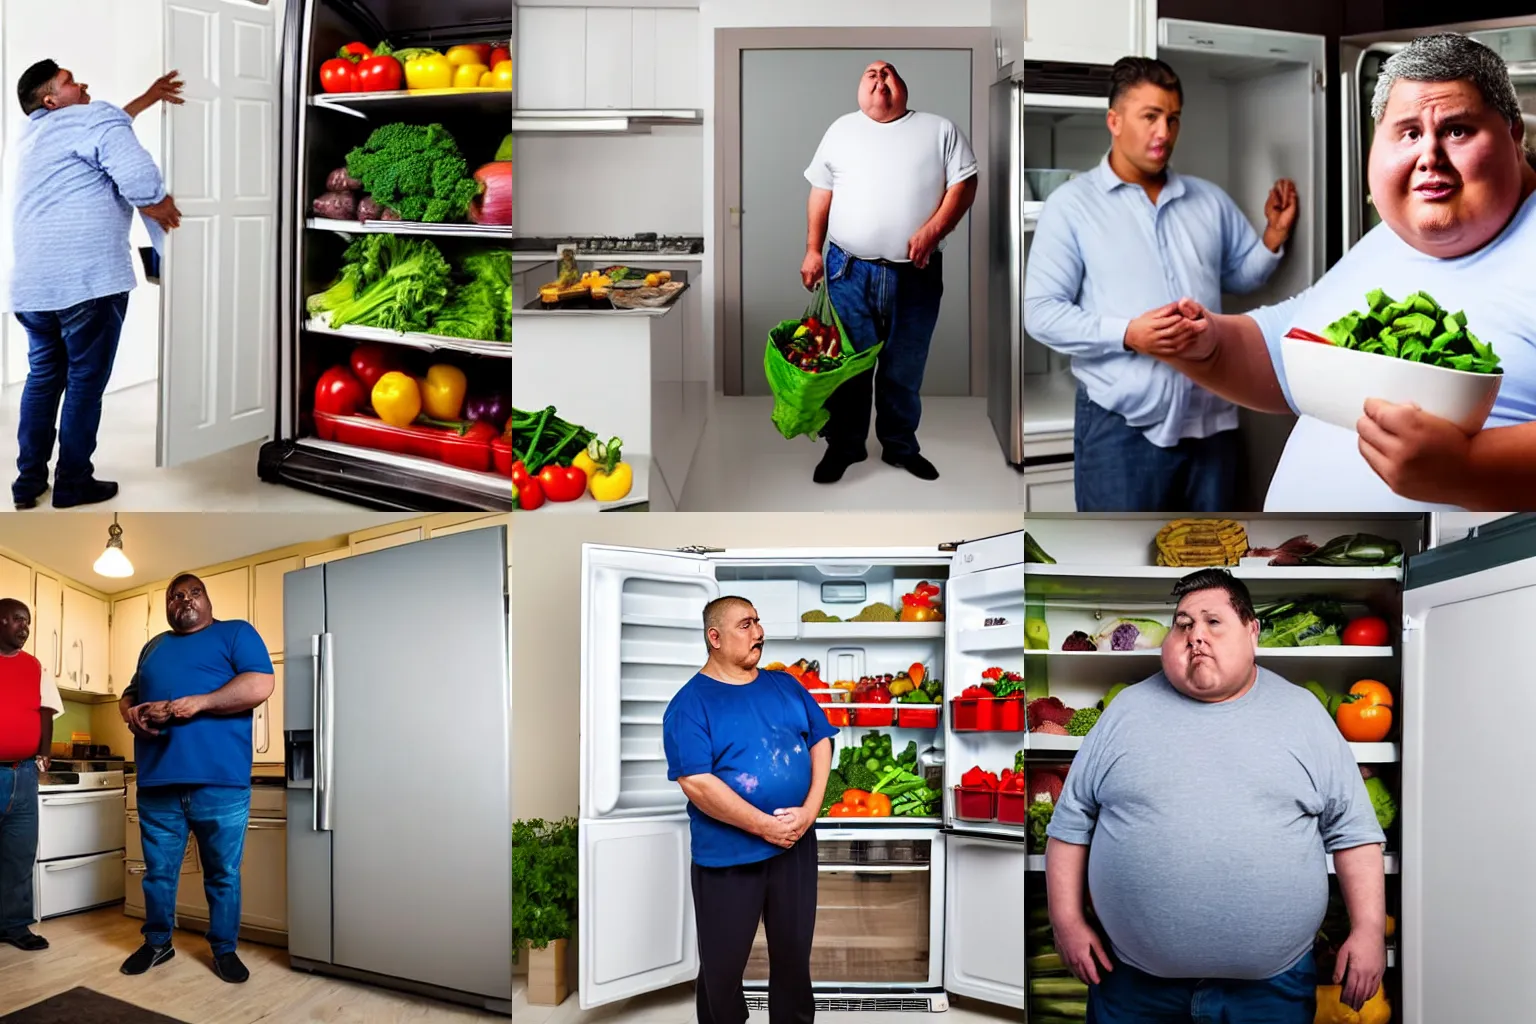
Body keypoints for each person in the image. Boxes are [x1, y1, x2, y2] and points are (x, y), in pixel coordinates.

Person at [1149, 33, 1536, 510]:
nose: (1429, 156)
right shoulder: (1387, 241)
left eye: (1457, 130)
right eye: (1410, 133)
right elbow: (1286, 355)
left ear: (1515, 134)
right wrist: (1207, 344)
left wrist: (1468, 469)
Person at [1045, 569, 1387, 1022]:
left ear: (1251, 630)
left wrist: (1367, 929)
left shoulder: (1304, 715)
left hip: (1270, 990)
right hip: (1133, 985)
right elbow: (1069, 826)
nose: (1195, 636)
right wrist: (1066, 923)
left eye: (1213, 622)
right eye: (1183, 624)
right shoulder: (1124, 712)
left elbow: (1354, 833)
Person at [1023, 57, 1298, 512]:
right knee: (1119, 565)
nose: (1164, 132)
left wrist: (1273, 235)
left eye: (1172, 119)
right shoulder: (1071, 206)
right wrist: (1130, 334)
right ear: (1114, 121)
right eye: (1150, 116)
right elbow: (1041, 312)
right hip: (1120, 431)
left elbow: (1239, 277)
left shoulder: (1209, 199)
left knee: (1216, 561)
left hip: (1214, 424)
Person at [6, 60, 184, 510]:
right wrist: (161, 206)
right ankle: (73, 483)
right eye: (69, 82)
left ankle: (28, 484)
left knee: (43, 380)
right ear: (51, 100)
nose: (81, 82)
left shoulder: (35, 134)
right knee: (84, 383)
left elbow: (104, 127)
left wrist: (147, 98)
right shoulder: (93, 118)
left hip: (33, 289)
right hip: (86, 283)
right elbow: (139, 177)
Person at [800, 60, 978, 485]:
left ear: (904, 86)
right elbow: (820, 193)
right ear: (859, 90)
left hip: (915, 273)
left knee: (904, 367)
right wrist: (811, 249)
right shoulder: (840, 130)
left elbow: (965, 184)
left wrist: (934, 229)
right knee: (850, 366)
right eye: (870, 74)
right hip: (847, 270)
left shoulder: (939, 129)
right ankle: (845, 447)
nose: (880, 79)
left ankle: (900, 448)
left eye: (888, 73)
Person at [662, 596, 836, 1024]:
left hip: (794, 846)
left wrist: (809, 812)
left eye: (758, 621)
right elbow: (697, 783)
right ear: (714, 637)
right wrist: (763, 826)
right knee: (722, 970)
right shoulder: (689, 704)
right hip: (727, 858)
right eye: (745, 624)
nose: (758, 632)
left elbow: (820, 740)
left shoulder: (785, 685)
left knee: (794, 960)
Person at [116, 573, 273, 983]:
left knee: (222, 873)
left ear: (207, 600)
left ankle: (224, 949)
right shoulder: (153, 647)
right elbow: (129, 694)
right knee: (158, 873)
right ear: (167, 605)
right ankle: (157, 943)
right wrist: (129, 712)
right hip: (157, 781)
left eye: (193, 593)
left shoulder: (236, 633)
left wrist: (200, 703)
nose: (184, 600)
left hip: (219, 783)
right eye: (175, 596)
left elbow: (260, 683)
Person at [0, 597, 60, 952]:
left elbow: (46, 711)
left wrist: (45, 751)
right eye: (18, 619)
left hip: (23, 774)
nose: (25, 627)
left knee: (19, 854)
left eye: (28, 621)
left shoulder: (35, 666)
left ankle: (14, 926)